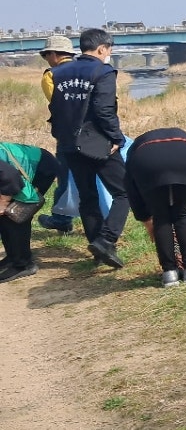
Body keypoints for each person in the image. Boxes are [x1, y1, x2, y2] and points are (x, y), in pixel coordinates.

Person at [47, 28, 130, 269]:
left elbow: (56, 110)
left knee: (87, 197)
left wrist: (61, 138)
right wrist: (117, 138)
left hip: (69, 144)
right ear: (102, 48)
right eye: (109, 50)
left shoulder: (58, 72)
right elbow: (104, 110)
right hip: (98, 143)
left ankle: (97, 247)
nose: (108, 54)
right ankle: (107, 240)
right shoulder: (103, 71)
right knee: (125, 191)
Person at [123, 128, 186, 288]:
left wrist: (146, 219)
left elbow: (130, 188)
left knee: (160, 215)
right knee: (182, 213)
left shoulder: (135, 149)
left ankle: (169, 273)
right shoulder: (182, 136)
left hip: (147, 161)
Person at [0, 142, 59, 283]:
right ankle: (13, 256)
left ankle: (24, 264)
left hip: (41, 167)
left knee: (16, 214)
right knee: (4, 217)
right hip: (11, 175)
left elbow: (11, 178)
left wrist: (3, 203)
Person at [37, 34, 77, 234]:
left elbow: (60, 105)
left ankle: (62, 219)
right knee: (96, 176)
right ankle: (103, 222)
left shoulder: (51, 75)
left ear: (53, 54)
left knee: (66, 175)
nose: (47, 60)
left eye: (46, 56)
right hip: (96, 133)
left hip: (68, 134)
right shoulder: (90, 70)